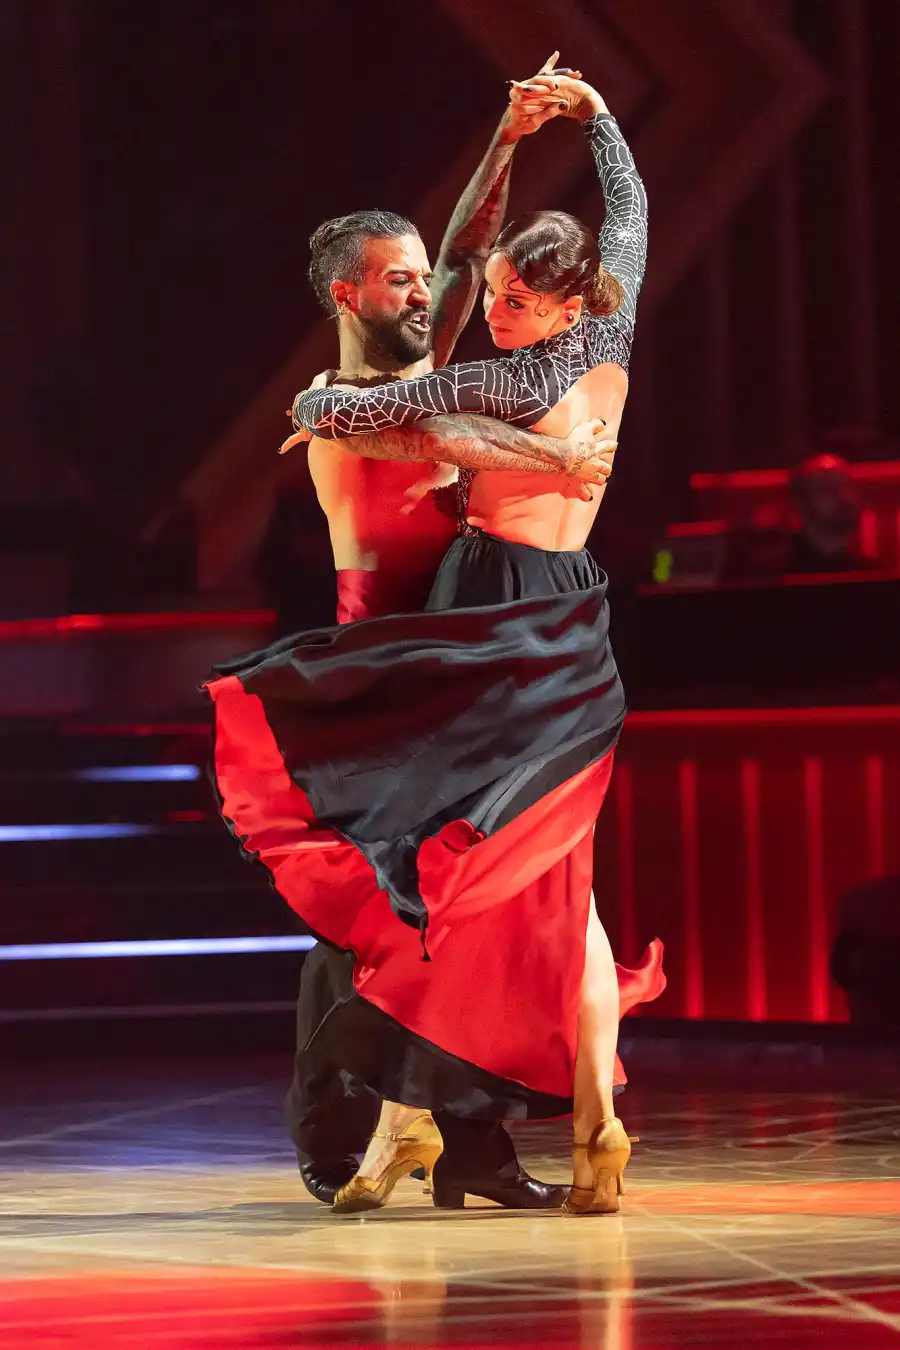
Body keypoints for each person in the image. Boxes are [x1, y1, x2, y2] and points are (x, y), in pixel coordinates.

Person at [210, 71, 663, 1216]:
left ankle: (457, 1144)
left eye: (435, 281)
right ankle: (356, 1135)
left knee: (482, 899)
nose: (436, 293)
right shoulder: (420, 386)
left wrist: (507, 136)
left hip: (483, 633)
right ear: (347, 293)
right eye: (401, 280)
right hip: (402, 649)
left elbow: (466, 259)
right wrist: (554, 459)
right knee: (393, 905)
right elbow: (429, 426)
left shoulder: (469, 371)